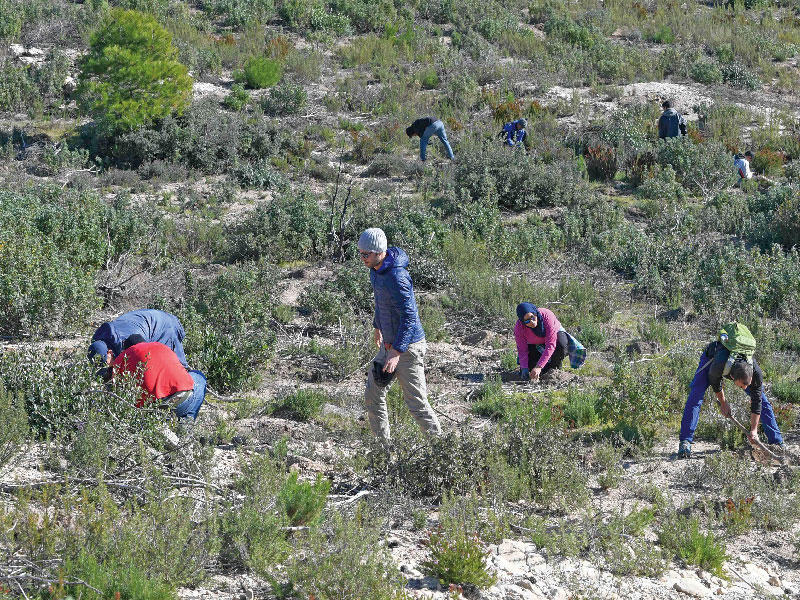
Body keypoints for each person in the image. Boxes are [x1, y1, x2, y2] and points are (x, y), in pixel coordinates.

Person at [358, 227, 442, 443]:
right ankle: (382, 451)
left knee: (416, 404)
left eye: (366, 254)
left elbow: (409, 317)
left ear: (379, 252)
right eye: (360, 253)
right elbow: (381, 302)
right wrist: (377, 326)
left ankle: (441, 449)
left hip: (408, 348)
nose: (362, 258)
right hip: (389, 345)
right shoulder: (375, 270)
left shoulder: (397, 276)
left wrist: (396, 350)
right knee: (373, 396)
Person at [678, 333, 784, 459]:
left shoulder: (756, 374)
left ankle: (777, 443)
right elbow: (715, 383)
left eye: (746, 386)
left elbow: (757, 402)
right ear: (732, 377)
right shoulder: (718, 366)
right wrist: (723, 403)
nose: (744, 389)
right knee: (696, 396)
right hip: (712, 357)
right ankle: (685, 442)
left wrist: (754, 430)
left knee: (764, 401)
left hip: (737, 367)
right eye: (740, 386)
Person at [108, 334, 206, 421]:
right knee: (198, 376)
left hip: (153, 412)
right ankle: (187, 423)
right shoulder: (160, 346)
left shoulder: (122, 358)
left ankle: (173, 428)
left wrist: (111, 366)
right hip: (183, 399)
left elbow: (116, 390)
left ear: (126, 348)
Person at [88, 309, 188, 368]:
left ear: (110, 352)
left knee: (173, 365)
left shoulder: (129, 342)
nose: (108, 368)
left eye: (107, 364)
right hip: (149, 319)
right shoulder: (99, 342)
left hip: (164, 326)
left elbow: (146, 361)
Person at [514, 303, 570, 382]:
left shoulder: (546, 316)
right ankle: (543, 370)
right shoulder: (519, 328)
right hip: (534, 343)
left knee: (561, 346)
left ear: (535, 313)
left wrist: (539, 367)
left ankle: (554, 369)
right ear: (522, 321)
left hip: (554, 338)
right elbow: (522, 350)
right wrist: (524, 368)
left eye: (532, 317)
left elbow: (550, 345)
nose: (532, 322)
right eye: (527, 321)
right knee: (530, 369)